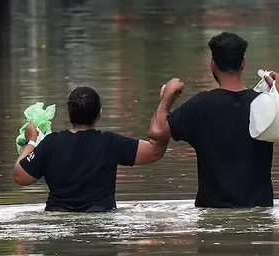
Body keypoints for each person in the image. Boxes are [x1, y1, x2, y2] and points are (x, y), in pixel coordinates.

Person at [148, 32, 279, 208]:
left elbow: (157, 131)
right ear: (243, 64)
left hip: (212, 212)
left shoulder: (200, 105)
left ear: (212, 65)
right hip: (259, 211)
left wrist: (168, 96)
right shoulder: (265, 104)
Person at [13, 84, 180, 212]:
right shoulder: (110, 143)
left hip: (57, 221)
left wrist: (32, 141)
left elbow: (20, 176)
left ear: (70, 115)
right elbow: (155, 151)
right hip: (102, 219)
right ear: (100, 113)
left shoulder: (50, 143)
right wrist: (165, 103)